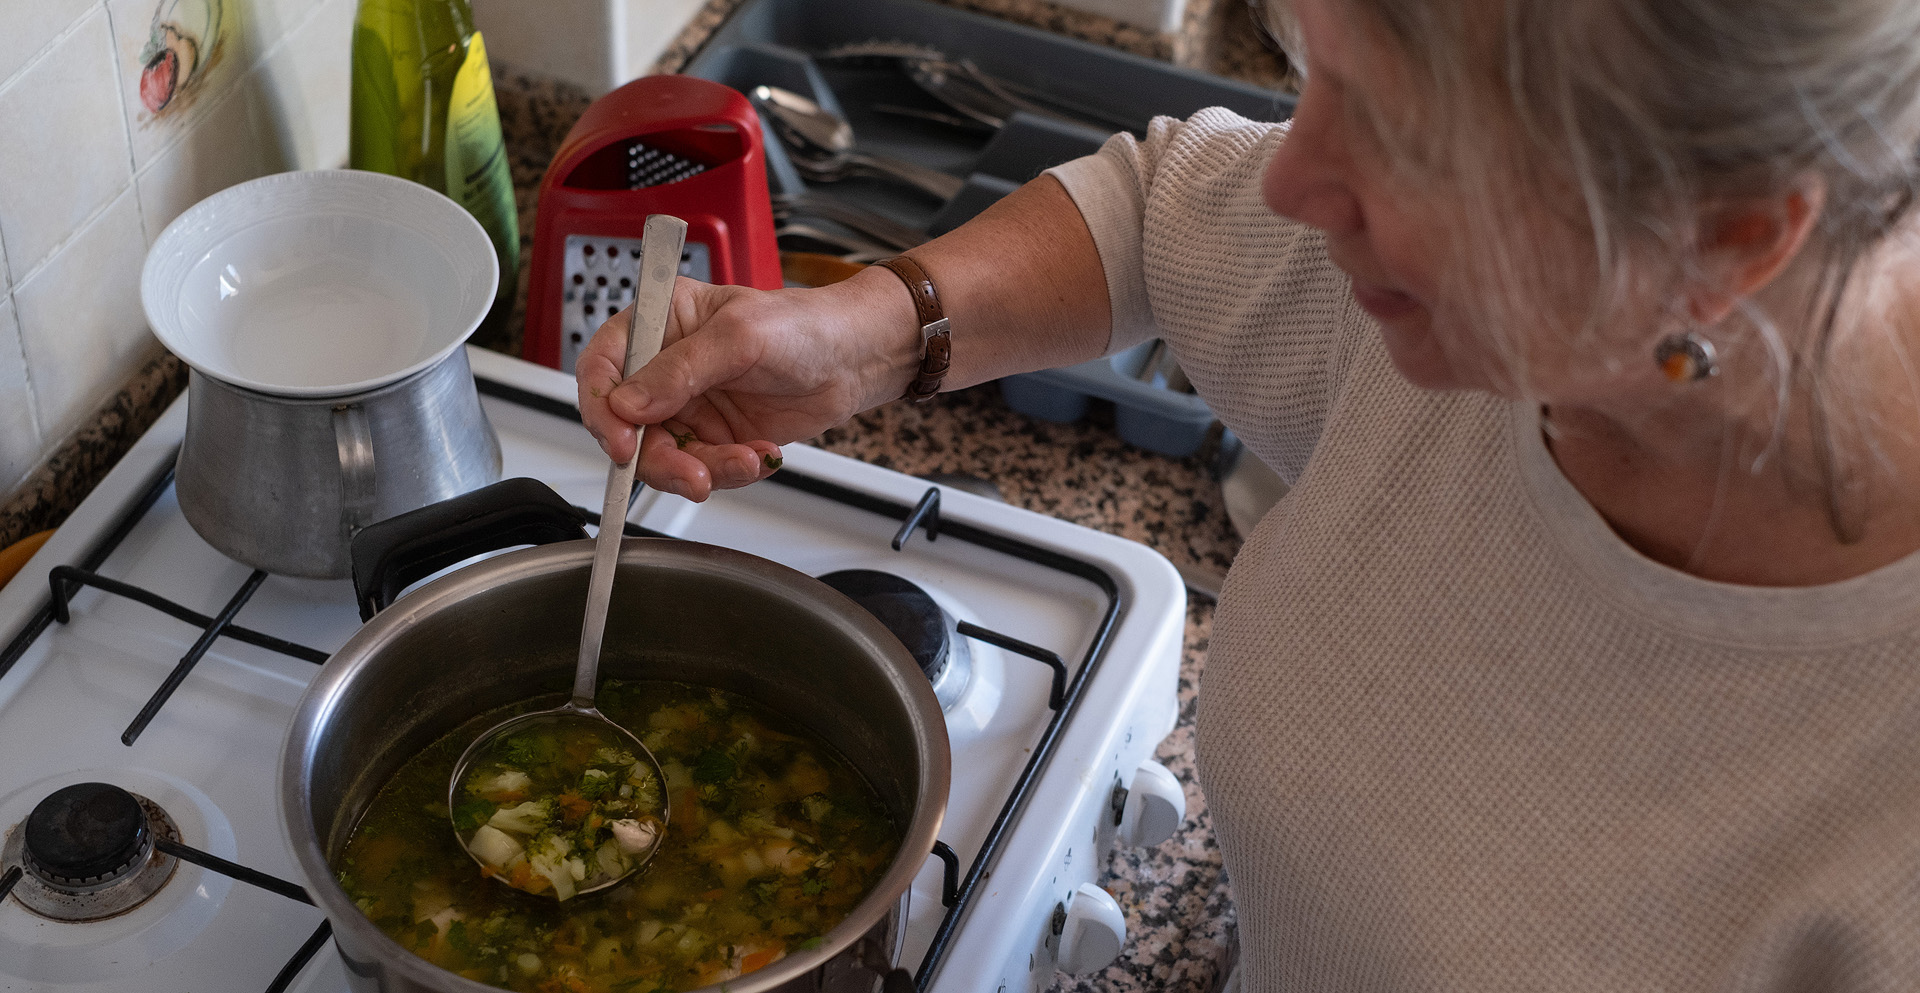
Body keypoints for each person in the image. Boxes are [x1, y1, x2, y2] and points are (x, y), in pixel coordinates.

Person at [578, 0, 1920, 986]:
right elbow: (1167, 210)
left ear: (1727, 240)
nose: (1295, 174)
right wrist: (864, 334)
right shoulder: (1501, 311)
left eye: (1401, 134)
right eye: (1305, 70)